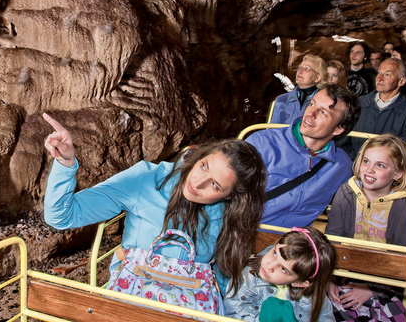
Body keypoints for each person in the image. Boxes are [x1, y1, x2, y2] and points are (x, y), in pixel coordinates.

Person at [42, 113, 267, 295]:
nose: (197, 183)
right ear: (200, 156)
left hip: (186, 303)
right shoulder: (146, 179)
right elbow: (62, 216)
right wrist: (65, 163)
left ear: (230, 197)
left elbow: (221, 277)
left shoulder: (230, 213)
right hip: (132, 295)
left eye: (215, 186)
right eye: (204, 166)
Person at [326, 134, 406, 321]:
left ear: (398, 173)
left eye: (380, 165)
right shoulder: (346, 193)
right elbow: (332, 239)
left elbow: (400, 259)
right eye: (366, 161)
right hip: (344, 274)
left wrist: (371, 289)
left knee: (393, 315)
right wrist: (328, 280)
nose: (369, 169)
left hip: (383, 282)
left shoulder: (404, 204)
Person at [246, 84, 361, 228]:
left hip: (292, 243)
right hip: (246, 233)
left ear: (338, 129)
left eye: (323, 112)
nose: (310, 114)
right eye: (312, 104)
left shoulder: (342, 166)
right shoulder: (262, 143)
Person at [222, 227, 335, 322]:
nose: (270, 265)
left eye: (284, 269)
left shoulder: (314, 298)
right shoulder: (246, 278)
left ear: (299, 282)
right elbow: (229, 315)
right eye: (275, 253)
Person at [340, 58, 406, 159]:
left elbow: (405, 148)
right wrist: (355, 163)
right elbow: (343, 140)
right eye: (379, 73)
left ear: (401, 81)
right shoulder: (359, 103)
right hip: (353, 165)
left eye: (387, 74)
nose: (379, 78)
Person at [269, 55, 328, 124]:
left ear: (318, 78)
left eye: (307, 69)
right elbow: (272, 131)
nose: (300, 71)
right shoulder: (282, 100)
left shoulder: (323, 102)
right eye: (299, 67)